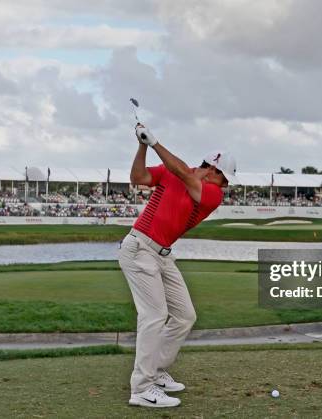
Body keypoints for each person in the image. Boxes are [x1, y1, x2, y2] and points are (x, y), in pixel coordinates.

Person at [119, 123, 237, 408]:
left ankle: (156, 371)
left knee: (184, 316)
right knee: (154, 316)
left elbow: (183, 172)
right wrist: (143, 145)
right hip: (139, 248)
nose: (226, 188)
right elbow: (138, 177)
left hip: (162, 254)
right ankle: (142, 388)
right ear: (213, 169)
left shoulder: (212, 195)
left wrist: (155, 141)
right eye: (225, 180)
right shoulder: (176, 173)